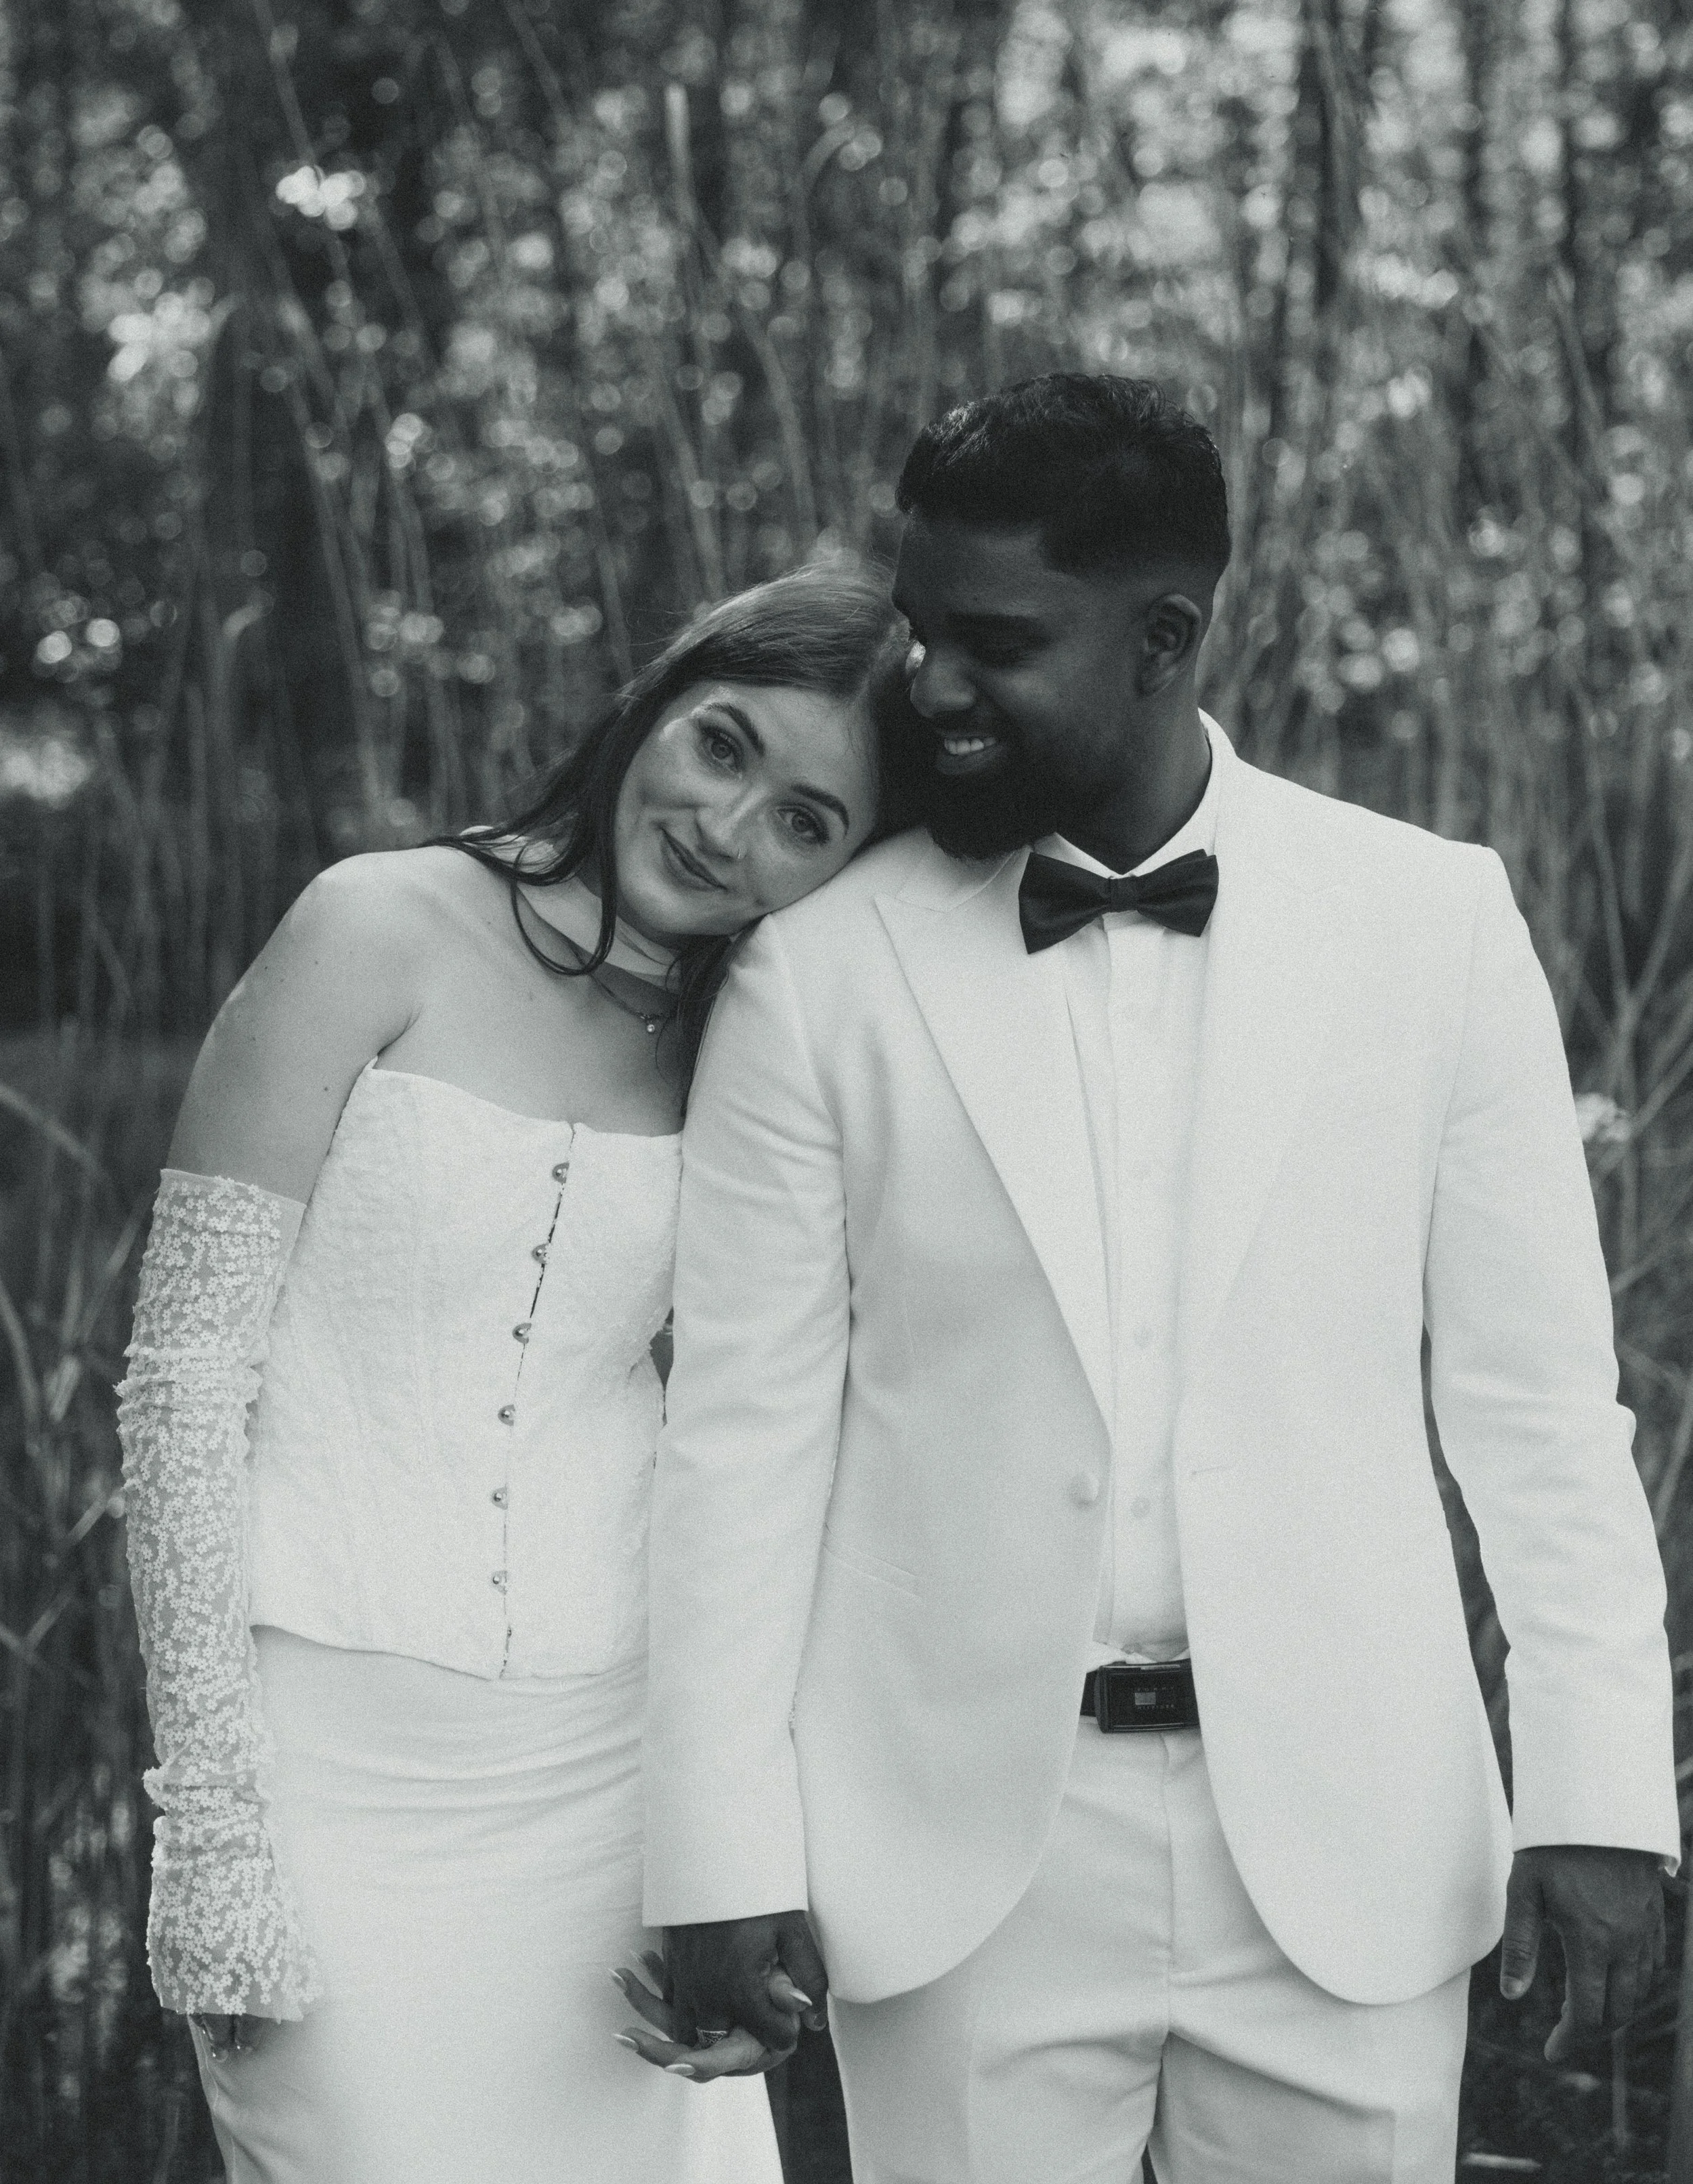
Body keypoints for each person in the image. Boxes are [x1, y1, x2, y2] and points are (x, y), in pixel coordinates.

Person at [629, 377, 1679, 2182]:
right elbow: (740, 1438)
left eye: (995, 644)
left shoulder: (1429, 921)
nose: (928, 689)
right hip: (955, 1861)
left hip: (1347, 1845)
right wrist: (717, 1848)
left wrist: (1595, 1790)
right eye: (921, 633)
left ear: (1164, 637)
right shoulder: (822, 971)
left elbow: (1534, 1406)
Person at [115, 562, 921, 2184]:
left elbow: (777, 1456)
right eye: (722, 745)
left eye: (804, 821)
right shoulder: (374, 925)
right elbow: (183, 1380)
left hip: (613, 1784)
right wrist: (213, 1829)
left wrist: (740, 1862)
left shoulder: (763, 1042)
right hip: (323, 1775)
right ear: (655, 701)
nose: (726, 825)